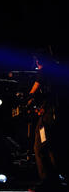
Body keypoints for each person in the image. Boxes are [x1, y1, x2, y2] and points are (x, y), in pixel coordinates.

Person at [27, 53, 60, 183]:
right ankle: (55, 178)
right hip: (51, 114)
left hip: (47, 117)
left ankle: (47, 180)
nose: (36, 65)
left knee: (40, 147)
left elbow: (33, 91)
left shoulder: (43, 73)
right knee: (49, 145)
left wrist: (27, 101)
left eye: (37, 62)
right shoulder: (54, 73)